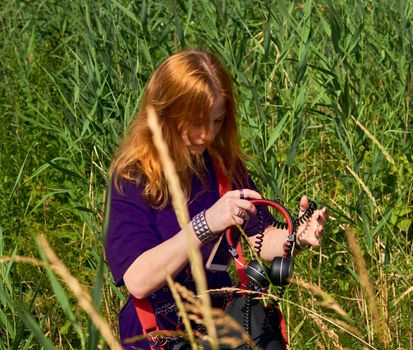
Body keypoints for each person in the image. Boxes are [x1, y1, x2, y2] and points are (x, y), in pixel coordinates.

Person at [105, 49, 328, 349]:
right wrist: (206, 224)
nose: (208, 135)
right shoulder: (132, 179)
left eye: (218, 121)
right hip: (156, 337)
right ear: (166, 114)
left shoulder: (222, 165)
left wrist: (296, 236)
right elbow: (138, 279)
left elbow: (262, 236)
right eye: (198, 122)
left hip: (221, 328)